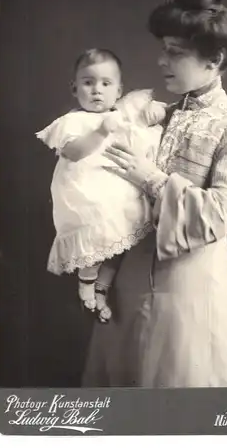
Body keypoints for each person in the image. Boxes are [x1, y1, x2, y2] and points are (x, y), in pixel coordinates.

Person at [82, 0, 227, 387]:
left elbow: (220, 215)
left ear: (214, 59)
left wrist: (151, 177)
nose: (162, 61)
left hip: (191, 290)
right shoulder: (155, 116)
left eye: (176, 52)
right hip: (127, 284)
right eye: (164, 49)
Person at [36, 48, 165, 322]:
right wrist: (102, 130)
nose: (97, 90)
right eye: (88, 82)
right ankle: (86, 283)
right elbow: (74, 152)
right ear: (74, 88)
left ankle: (101, 289)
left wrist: (158, 111)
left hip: (116, 191)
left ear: (119, 90)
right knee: (96, 238)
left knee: (121, 240)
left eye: (106, 84)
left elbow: (147, 118)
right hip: (86, 193)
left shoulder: (123, 111)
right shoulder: (73, 121)